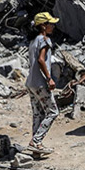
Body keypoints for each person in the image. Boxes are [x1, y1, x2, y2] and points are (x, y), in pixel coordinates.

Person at [26, 12, 60, 155]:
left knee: (38, 114)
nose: (53, 26)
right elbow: (41, 60)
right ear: (43, 26)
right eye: (50, 24)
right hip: (40, 83)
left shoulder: (33, 41)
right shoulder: (45, 40)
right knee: (53, 112)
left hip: (31, 83)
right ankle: (36, 141)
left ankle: (36, 148)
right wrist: (49, 78)